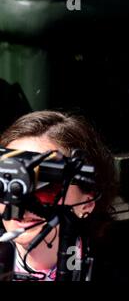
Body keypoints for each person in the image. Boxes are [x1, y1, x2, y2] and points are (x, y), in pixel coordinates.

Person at [0, 110, 116, 281]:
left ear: (87, 202)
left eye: (45, 186)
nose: (19, 201)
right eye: (7, 180)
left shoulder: (116, 270)